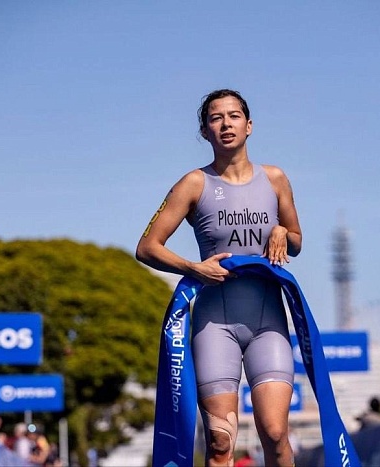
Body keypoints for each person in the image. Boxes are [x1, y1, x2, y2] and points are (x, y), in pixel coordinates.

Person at [136, 89, 302, 466]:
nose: (225, 124)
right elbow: (147, 246)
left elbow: (295, 241)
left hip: (268, 322)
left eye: (233, 116)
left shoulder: (275, 179)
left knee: (275, 433)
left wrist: (280, 232)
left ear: (249, 125)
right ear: (205, 131)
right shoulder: (194, 183)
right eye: (215, 118)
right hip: (215, 324)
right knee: (220, 442)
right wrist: (193, 268)